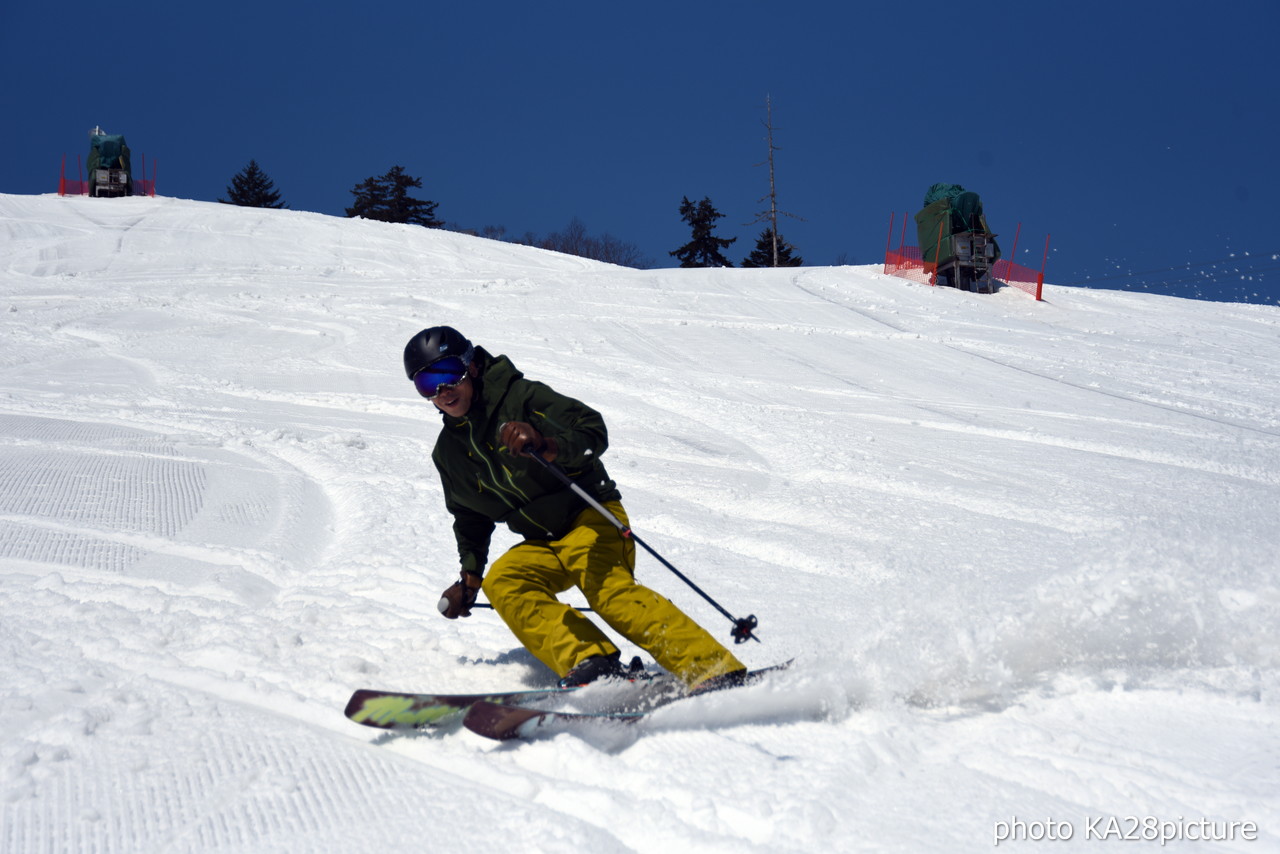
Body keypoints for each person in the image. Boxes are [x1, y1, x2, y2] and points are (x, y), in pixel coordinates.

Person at [405, 325, 747, 690]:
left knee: (608, 592)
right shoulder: (449, 452)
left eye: (447, 374)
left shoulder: (520, 397)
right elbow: (469, 516)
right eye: (427, 384)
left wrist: (548, 444)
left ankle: (713, 669)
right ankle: (591, 661)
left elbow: (592, 429)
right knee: (506, 580)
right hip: (543, 540)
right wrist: (471, 578)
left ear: (471, 366)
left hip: (590, 515)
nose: (442, 391)